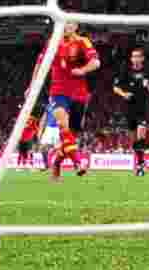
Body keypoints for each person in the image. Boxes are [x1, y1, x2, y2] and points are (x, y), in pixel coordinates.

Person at [33, 21, 99, 182]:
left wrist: (82, 70)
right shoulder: (53, 42)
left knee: (71, 135)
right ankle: (78, 163)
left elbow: (96, 62)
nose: (66, 26)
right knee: (63, 126)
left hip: (79, 93)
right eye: (63, 23)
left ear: (76, 26)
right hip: (58, 92)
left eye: (69, 23)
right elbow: (40, 63)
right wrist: (33, 85)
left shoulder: (83, 41)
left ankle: (56, 163)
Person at [113, 47, 149, 176]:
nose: (135, 59)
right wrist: (124, 94)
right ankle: (141, 162)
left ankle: (140, 164)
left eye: (138, 56)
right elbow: (115, 87)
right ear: (131, 59)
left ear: (142, 58)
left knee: (141, 134)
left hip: (143, 107)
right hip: (129, 108)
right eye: (133, 56)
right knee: (134, 140)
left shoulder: (148, 71)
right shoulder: (125, 71)